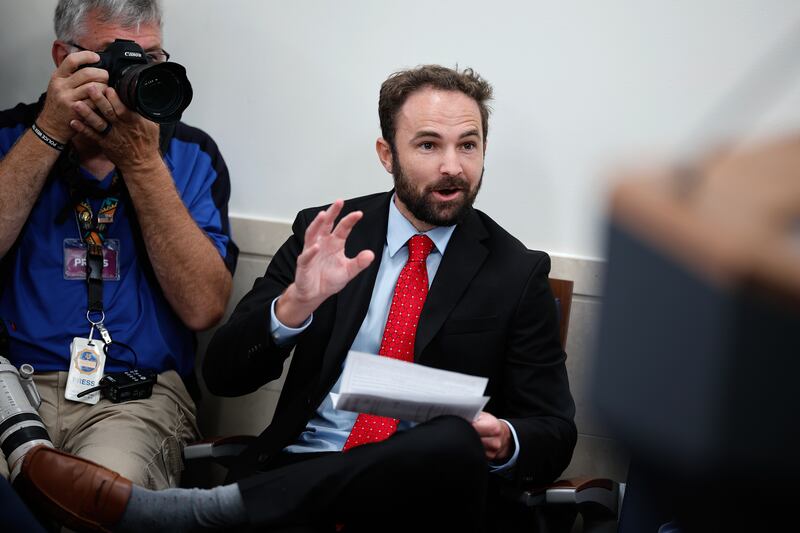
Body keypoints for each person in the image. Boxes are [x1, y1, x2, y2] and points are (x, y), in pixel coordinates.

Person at [15, 64, 574, 533]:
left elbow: (554, 431)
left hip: (421, 504)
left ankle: (199, 515)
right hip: (299, 475)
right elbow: (224, 375)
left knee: (451, 441)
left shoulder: (516, 272)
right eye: (428, 144)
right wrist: (293, 309)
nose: (452, 166)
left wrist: (506, 438)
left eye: (468, 145)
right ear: (387, 153)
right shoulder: (328, 232)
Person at [0, 0, 237, 488]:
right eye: (114, 57)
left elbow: (204, 308)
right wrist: (47, 132)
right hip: (11, 385)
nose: (133, 74)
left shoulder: (191, 154)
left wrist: (143, 163)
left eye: (149, 59)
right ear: (63, 57)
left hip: (137, 395)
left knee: (102, 495)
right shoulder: (8, 137)